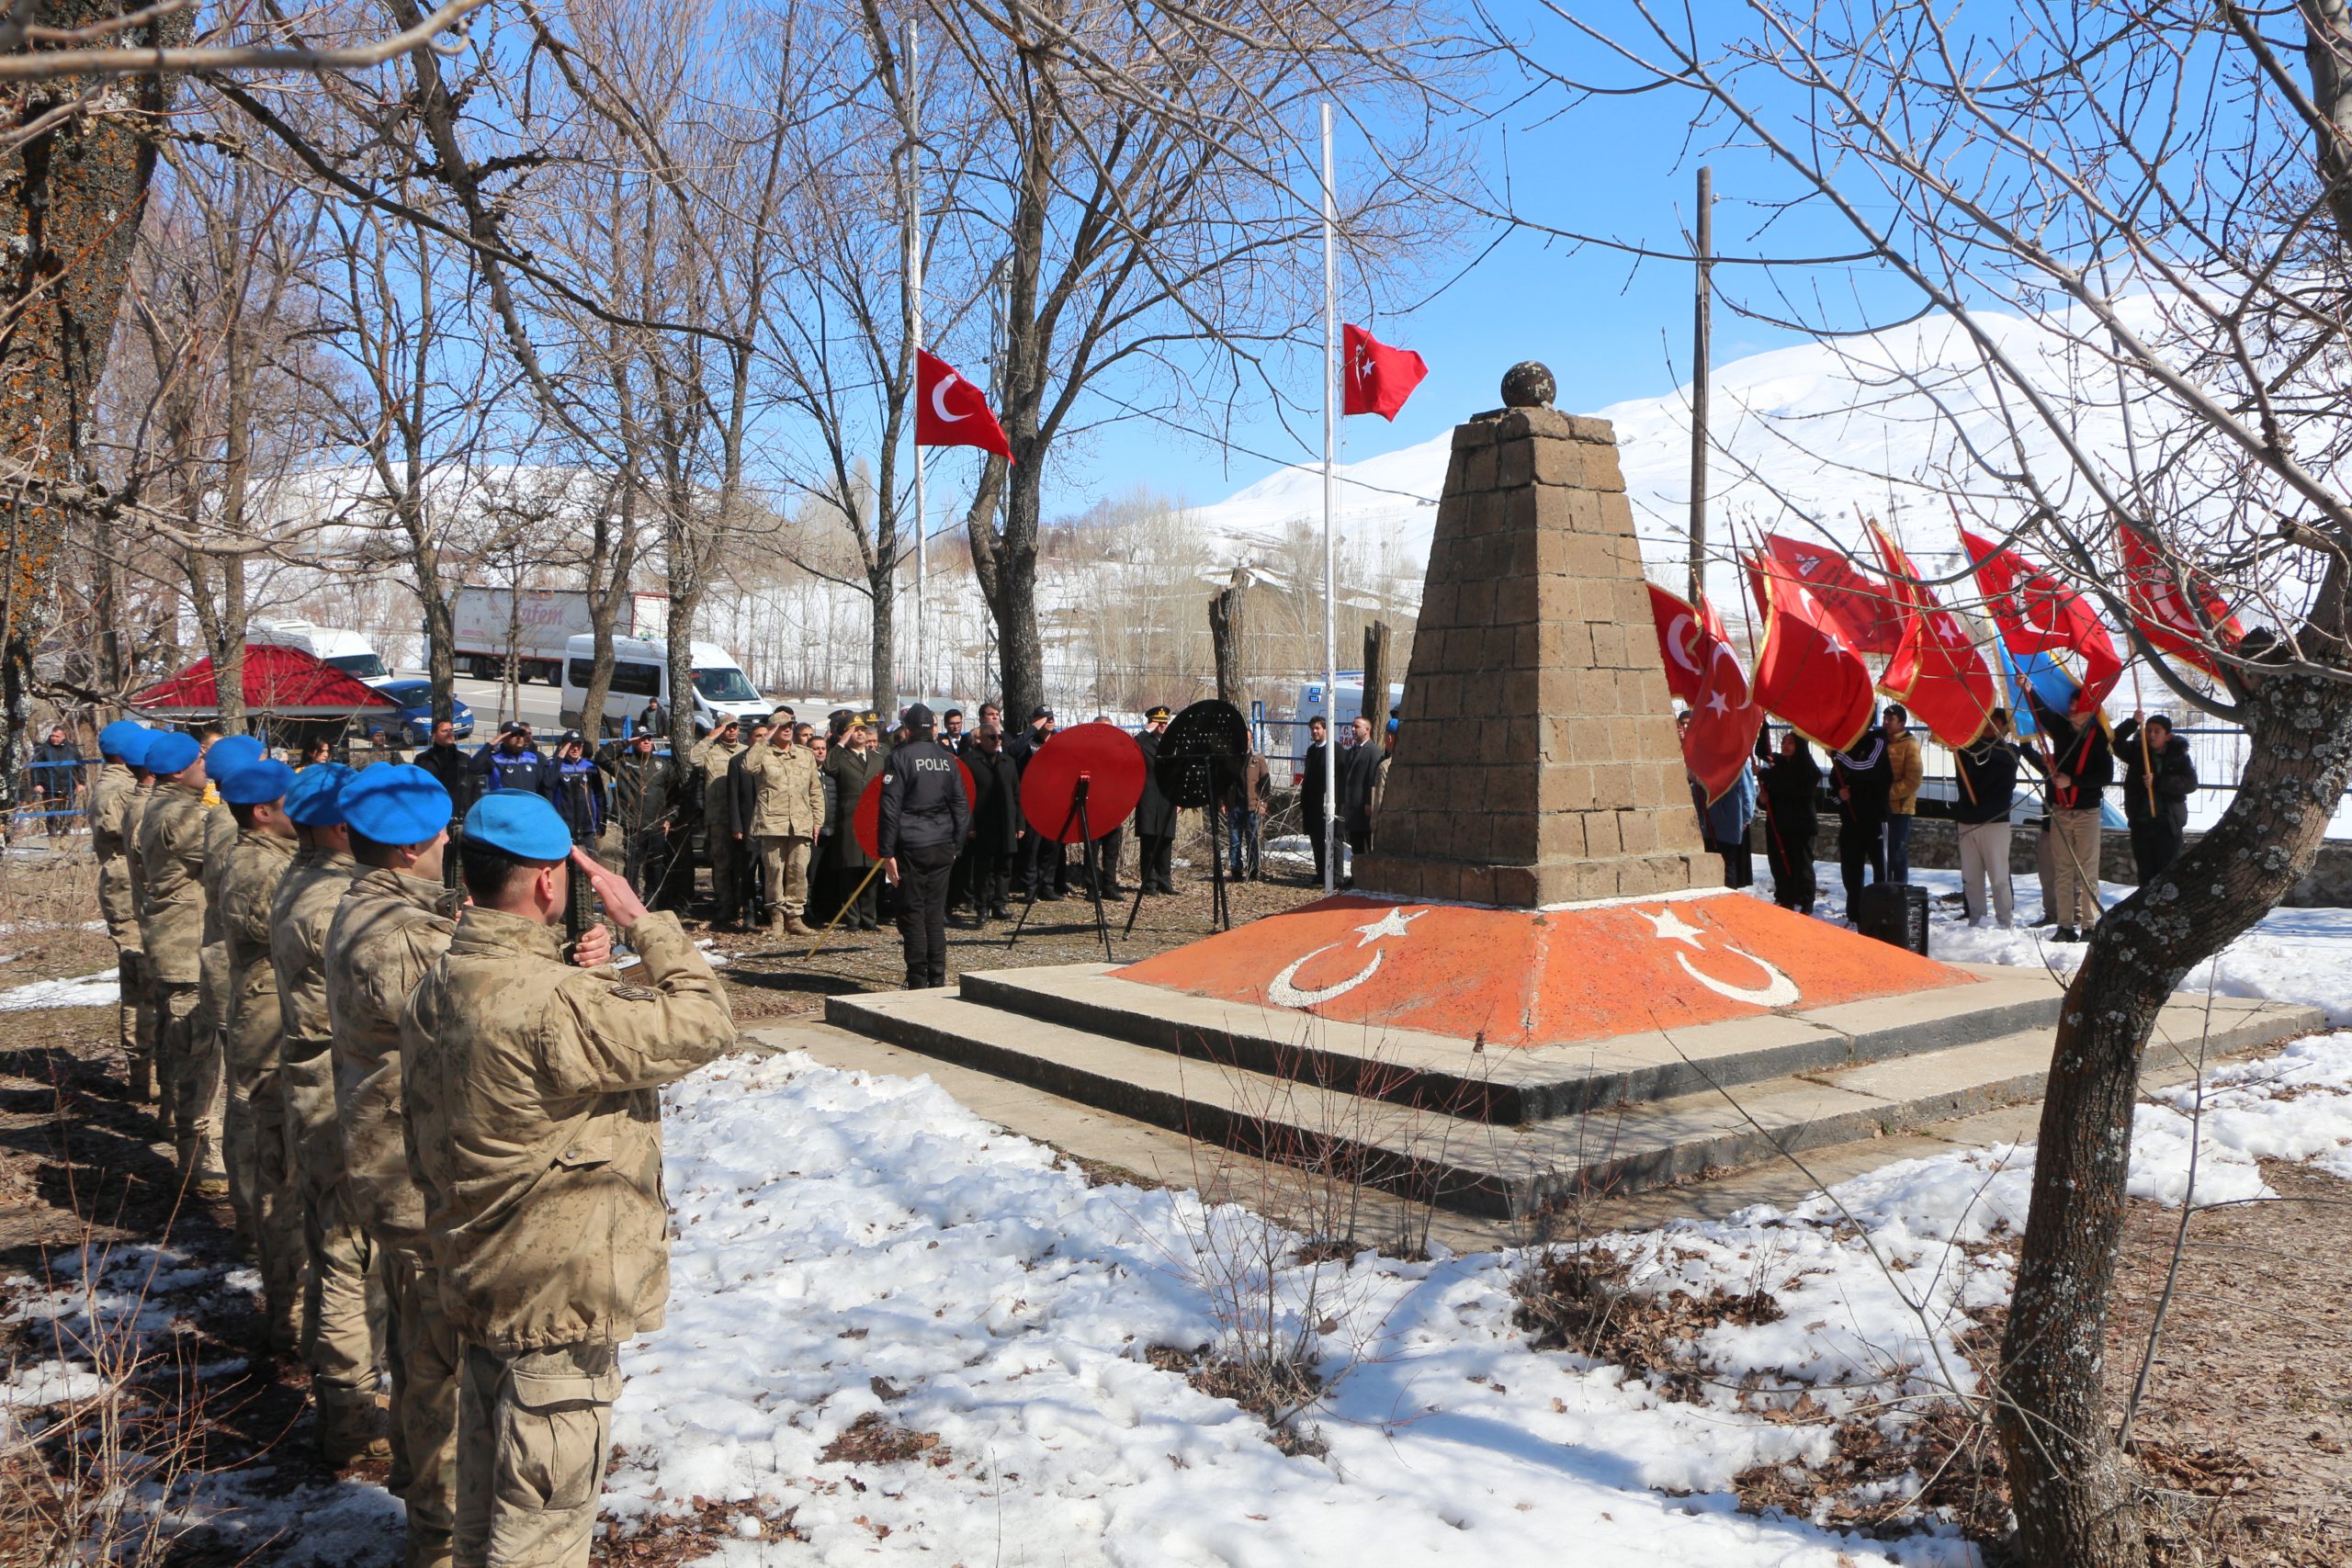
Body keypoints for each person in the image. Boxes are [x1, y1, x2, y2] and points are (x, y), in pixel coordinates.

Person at [402, 793, 736, 1568]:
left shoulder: (440, 981)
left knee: (485, 1516)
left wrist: (580, 974)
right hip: (556, 1298)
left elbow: (520, 1024)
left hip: (482, 1279)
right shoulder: (561, 1005)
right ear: (551, 884)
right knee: (540, 1534)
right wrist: (643, 922)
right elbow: (707, 1022)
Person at [326, 764, 464, 1568]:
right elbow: (476, 1017)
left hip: (384, 1158)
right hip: (412, 1167)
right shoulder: (407, 936)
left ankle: (418, 1480)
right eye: (443, 833)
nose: (450, 844)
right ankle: (439, 1530)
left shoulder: (370, 904)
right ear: (413, 845)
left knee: (417, 1328)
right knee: (440, 1354)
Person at [266, 761, 385, 1467]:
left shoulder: (302, 876)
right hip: (340, 1088)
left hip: (314, 1082)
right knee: (345, 1257)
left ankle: (340, 1395)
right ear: (343, 825)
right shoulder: (336, 901)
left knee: (332, 1246)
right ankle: (347, 1413)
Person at [211, 757, 304, 1351]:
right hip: (271, 1025)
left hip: (275, 1018)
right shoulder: (258, 866)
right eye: (288, 799)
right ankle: (289, 1313)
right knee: (282, 1171)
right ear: (265, 812)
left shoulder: (266, 856)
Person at [135, 730, 220, 1186]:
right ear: (176, 771)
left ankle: (176, 1124)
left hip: (172, 941)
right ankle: (197, 1156)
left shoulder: (160, 805)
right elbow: (220, 852)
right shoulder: (181, 815)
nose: (205, 768)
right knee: (197, 1053)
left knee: (178, 1043)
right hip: (185, 946)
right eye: (198, 762)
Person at [876, 704, 970, 989]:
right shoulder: (948, 760)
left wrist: (886, 852)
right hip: (942, 844)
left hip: (912, 845)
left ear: (907, 729)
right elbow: (961, 806)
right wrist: (957, 844)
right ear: (932, 728)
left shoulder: (899, 758)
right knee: (935, 911)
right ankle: (938, 976)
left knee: (913, 911)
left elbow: (889, 809)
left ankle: (917, 978)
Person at [89, 723, 155, 1096]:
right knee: (140, 981)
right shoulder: (117, 790)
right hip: (126, 892)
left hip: (132, 889)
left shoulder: (125, 784)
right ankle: (144, 1074)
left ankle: (150, 1070)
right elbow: (133, 837)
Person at [2021, 694, 2112, 942]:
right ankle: (2065, 925)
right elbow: (2041, 711)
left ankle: (2089, 925)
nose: (2072, 708)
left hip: (2087, 811)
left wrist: (2074, 781)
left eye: (2078, 705)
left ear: (2090, 710)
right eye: (2070, 704)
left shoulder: (2099, 736)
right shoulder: (2061, 729)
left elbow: (2106, 776)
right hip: (2060, 810)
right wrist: (2028, 689)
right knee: (2062, 870)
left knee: (2087, 871)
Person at [739, 717, 824, 936]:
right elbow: (748, 767)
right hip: (772, 822)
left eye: (789, 726)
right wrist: (765, 739)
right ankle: (776, 918)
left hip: (801, 822)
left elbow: (815, 791)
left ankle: (794, 918)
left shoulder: (805, 755)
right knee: (774, 871)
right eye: (781, 726)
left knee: (798, 871)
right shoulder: (763, 753)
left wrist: (817, 822)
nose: (786, 730)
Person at [2112, 710, 2197, 882]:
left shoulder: (2178, 756)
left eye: (2157, 731)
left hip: (2167, 823)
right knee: (2145, 873)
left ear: (2168, 736)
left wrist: (2159, 781)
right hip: (2142, 822)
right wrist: (2133, 722)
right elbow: (2115, 741)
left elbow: (2190, 783)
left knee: (2165, 873)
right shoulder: (2137, 752)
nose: (2151, 734)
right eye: (2148, 730)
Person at [1955, 709, 2021, 929]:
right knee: (1971, 878)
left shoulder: (2010, 751)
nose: (1988, 727)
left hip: (1995, 821)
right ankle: (1976, 919)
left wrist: (1963, 740)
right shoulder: (1966, 750)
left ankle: (2004, 921)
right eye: (1985, 721)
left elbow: (1991, 752)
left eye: (1994, 722)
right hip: (1967, 818)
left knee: (1999, 877)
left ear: (2004, 727)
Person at [602, 732, 681, 908]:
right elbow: (601, 757)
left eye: (648, 739)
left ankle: (652, 907)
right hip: (633, 826)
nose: (646, 742)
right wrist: (625, 742)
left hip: (657, 826)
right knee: (632, 868)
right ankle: (631, 906)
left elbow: (675, 795)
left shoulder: (663, 766)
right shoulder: (623, 762)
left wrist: (669, 819)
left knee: (655, 868)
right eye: (641, 739)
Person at [821, 720, 885, 931]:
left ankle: (869, 918)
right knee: (850, 870)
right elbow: (828, 766)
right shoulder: (841, 757)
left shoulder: (878, 758)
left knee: (871, 872)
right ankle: (852, 918)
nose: (860, 733)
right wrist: (841, 742)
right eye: (855, 730)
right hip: (849, 819)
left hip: (873, 821)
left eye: (862, 730)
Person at [1829, 723, 1893, 918]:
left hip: (1875, 818)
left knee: (1881, 870)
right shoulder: (1844, 750)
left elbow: (1867, 767)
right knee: (1850, 870)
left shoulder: (1878, 743)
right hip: (1850, 820)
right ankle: (1854, 913)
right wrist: (1840, 795)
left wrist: (1838, 754)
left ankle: (1882, 912)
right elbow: (1833, 785)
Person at [960, 724, 1022, 922]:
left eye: (1000, 738)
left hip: (1006, 823)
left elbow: (1017, 795)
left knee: (1005, 867)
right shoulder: (969, 761)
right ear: (981, 739)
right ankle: (982, 907)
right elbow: (963, 798)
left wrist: (1020, 824)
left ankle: (1000, 904)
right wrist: (969, 826)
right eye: (993, 738)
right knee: (983, 869)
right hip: (982, 823)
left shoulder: (1008, 762)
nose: (998, 741)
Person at [1756, 729, 1821, 914]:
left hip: (1800, 826)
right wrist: (1763, 727)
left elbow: (1790, 785)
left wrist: (1764, 774)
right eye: (1784, 742)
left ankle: (1806, 900)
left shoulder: (1808, 768)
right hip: (1779, 824)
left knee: (1802, 865)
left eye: (1790, 743)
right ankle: (1785, 896)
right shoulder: (1778, 765)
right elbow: (1762, 752)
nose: (1785, 746)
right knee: (1778, 863)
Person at [1008, 707, 1067, 901]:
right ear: (1035, 721)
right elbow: (1013, 751)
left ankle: (1047, 886)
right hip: (1033, 801)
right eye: (1044, 718)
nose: (1049, 721)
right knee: (1032, 847)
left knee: (1051, 846)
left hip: (1055, 801)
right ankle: (1030, 888)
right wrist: (1032, 729)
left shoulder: (1060, 739)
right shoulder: (1027, 741)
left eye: (1051, 717)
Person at [692, 717, 744, 927]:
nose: (731, 731)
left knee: (741, 865)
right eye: (726, 727)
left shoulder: (745, 750)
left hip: (741, 817)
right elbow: (694, 759)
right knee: (721, 863)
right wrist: (711, 736)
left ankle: (741, 906)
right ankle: (725, 905)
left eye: (734, 727)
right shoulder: (710, 753)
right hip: (718, 817)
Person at [1133, 706, 1178, 896]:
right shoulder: (1143, 741)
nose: (1163, 726)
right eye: (1159, 723)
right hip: (1148, 796)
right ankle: (1149, 882)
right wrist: (1147, 731)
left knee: (1166, 839)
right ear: (1152, 723)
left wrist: (1179, 797)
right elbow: (1131, 744)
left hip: (1168, 797)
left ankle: (1164, 880)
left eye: (1165, 722)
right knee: (1149, 840)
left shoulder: (1172, 743)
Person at [539, 731, 606, 848]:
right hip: (564, 825)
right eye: (571, 746)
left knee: (588, 861)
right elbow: (548, 784)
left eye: (578, 746)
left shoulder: (590, 767)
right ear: (564, 746)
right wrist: (560, 757)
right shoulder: (554, 766)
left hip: (587, 825)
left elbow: (599, 795)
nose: (575, 749)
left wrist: (601, 822)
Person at [1881, 705, 1923, 883]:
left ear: (1902, 723)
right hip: (1880, 808)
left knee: (1897, 854)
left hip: (1900, 809)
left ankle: (1899, 893)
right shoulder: (1880, 742)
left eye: (1891, 719)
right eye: (1885, 718)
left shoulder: (1910, 745)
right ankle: (1883, 891)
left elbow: (1913, 780)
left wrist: (1886, 793)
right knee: (1882, 856)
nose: (1886, 723)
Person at [1340, 714, 1382, 877]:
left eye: (1357, 726)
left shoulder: (1373, 751)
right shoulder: (1351, 752)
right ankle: (1356, 875)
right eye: (1352, 726)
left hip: (1363, 809)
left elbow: (1372, 779)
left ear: (1367, 729)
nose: (1353, 729)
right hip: (1351, 807)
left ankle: (1366, 877)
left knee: (1364, 845)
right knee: (1355, 844)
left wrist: (1368, 803)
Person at [29, 721, 85, 838]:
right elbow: (34, 767)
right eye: (52, 736)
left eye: (57, 736)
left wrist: (81, 783)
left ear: (63, 737)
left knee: (68, 813)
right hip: (49, 786)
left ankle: (65, 837)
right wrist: (36, 784)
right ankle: (53, 838)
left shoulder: (72, 749)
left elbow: (80, 766)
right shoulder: (43, 749)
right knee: (52, 815)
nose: (54, 738)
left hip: (68, 786)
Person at [414, 719, 475, 821]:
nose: (449, 733)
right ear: (434, 735)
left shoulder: (464, 758)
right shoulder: (423, 759)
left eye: (451, 730)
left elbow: (474, 786)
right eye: (444, 731)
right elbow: (417, 788)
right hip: (434, 813)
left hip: (460, 813)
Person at [1226, 746, 1270, 881]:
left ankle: (1252, 871)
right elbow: (1224, 782)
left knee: (1253, 841)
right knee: (1235, 841)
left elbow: (1265, 782)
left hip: (1252, 807)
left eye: (1248, 738)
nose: (1245, 741)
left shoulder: (1257, 759)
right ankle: (1236, 872)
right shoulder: (1231, 759)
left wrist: (1263, 803)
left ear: (1251, 740)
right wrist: (1222, 802)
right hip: (1235, 806)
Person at [469, 722, 546, 796]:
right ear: (503, 738)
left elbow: (545, 783)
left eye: (521, 734)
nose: (519, 737)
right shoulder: (495, 759)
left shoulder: (533, 758)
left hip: (529, 806)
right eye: (514, 734)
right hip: (505, 806)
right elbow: (473, 768)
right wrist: (490, 745)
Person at [1300, 715, 1331, 886]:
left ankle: (1330, 872)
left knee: (1328, 839)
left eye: (1318, 728)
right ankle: (1320, 872)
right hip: (1312, 804)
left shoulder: (1331, 750)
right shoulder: (1312, 750)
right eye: (1312, 728)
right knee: (1316, 840)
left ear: (1325, 729)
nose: (1315, 731)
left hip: (1325, 802)